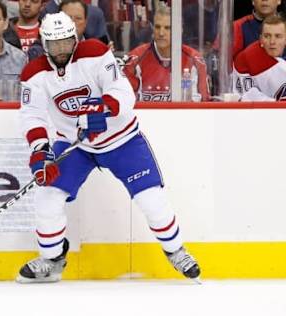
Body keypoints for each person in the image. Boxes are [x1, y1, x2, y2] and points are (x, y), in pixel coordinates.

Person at [16, 12, 200, 283]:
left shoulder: (95, 53)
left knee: (151, 199)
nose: (61, 50)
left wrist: (104, 106)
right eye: (54, 45)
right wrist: (40, 149)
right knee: (47, 197)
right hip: (74, 144)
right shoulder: (34, 74)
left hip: (121, 139)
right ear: (44, 44)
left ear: (75, 39)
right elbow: (32, 114)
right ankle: (52, 260)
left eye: (66, 43)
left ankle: (176, 251)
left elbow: (121, 89)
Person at [122, 5, 209, 102]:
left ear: (179, 30)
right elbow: (125, 103)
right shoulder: (135, 59)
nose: (161, 33)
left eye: (167, 28)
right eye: (158, 27)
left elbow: (204, 104)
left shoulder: (195, 60)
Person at [233, 15, 286, 101]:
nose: (272, 42)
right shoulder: (249, 57)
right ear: (260, 39)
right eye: (267, 36)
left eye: (278, 36)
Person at [40, 0, 109, 45]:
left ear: (86, 22)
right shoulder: (46, 11)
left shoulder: (95, 13)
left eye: (78, 18)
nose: (73, 22)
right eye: (68, 18)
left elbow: (105, 42)